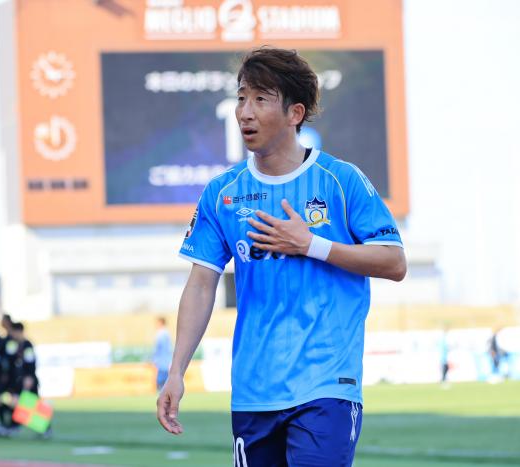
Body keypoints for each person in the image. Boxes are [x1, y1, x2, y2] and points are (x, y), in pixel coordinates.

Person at [156, 47, 406, 466]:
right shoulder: (222, 193)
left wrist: (312, 245)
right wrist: (176, 371)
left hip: (327, 386)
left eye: (260, 99)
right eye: (241, 98)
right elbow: (201, 284)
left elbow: (394, 262)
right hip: (253, 392)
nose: (244, 112)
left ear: (295, 113)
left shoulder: (340, 180)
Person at [8, 321, 51, 438]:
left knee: (34, 405)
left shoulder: (27, 345)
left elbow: (31, 362)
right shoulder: (15, 345)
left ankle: (46, 429)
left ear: (19, 331)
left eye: (14, 332)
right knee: (18, 403)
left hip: (29, 380)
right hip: (20, 380)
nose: (13, 335)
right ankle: (15, 426)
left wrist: (29, 377)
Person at [152, 317, 172, 391]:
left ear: (161, 323)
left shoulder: (161, 334)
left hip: (162, 361)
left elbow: (157, 348)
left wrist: (154, 359)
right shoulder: (167, 333)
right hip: (165, 361)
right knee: (165, 381)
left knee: (161, 382)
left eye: (158, 323)